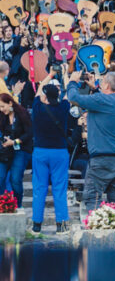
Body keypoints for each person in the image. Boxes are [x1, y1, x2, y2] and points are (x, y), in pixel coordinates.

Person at [67, 70, 115, 218]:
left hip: (104, 158)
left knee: (92, 197)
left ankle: (96, 234)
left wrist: (72, 81)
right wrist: (95, 88)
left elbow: (73, 98)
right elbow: (104, 101)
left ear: (107, 85)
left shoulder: (101, 100)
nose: (100, 84)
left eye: (102, 82)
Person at [30, 79, 70, 233]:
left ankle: (36, 224)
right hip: (59, 152)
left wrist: (50, 74)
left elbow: (38, 89)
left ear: (45, 96)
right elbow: (68, 92)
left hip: (40, 151)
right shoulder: (63, 108)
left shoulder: (38, 108)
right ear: (58, 95)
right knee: (60, 188)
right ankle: (61, 224)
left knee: (39, 188)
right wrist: (66, 75)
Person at [0, 92, 32, 205]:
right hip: (5, 151)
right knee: (1, 177)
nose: (1, 109)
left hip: (21, 149)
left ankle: (18, 205)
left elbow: (29, 133)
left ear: (10, 103)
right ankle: (2, 204)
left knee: (15, 179)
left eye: (3, 106)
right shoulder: (2, 115)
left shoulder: (22, 113)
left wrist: (14, 142)